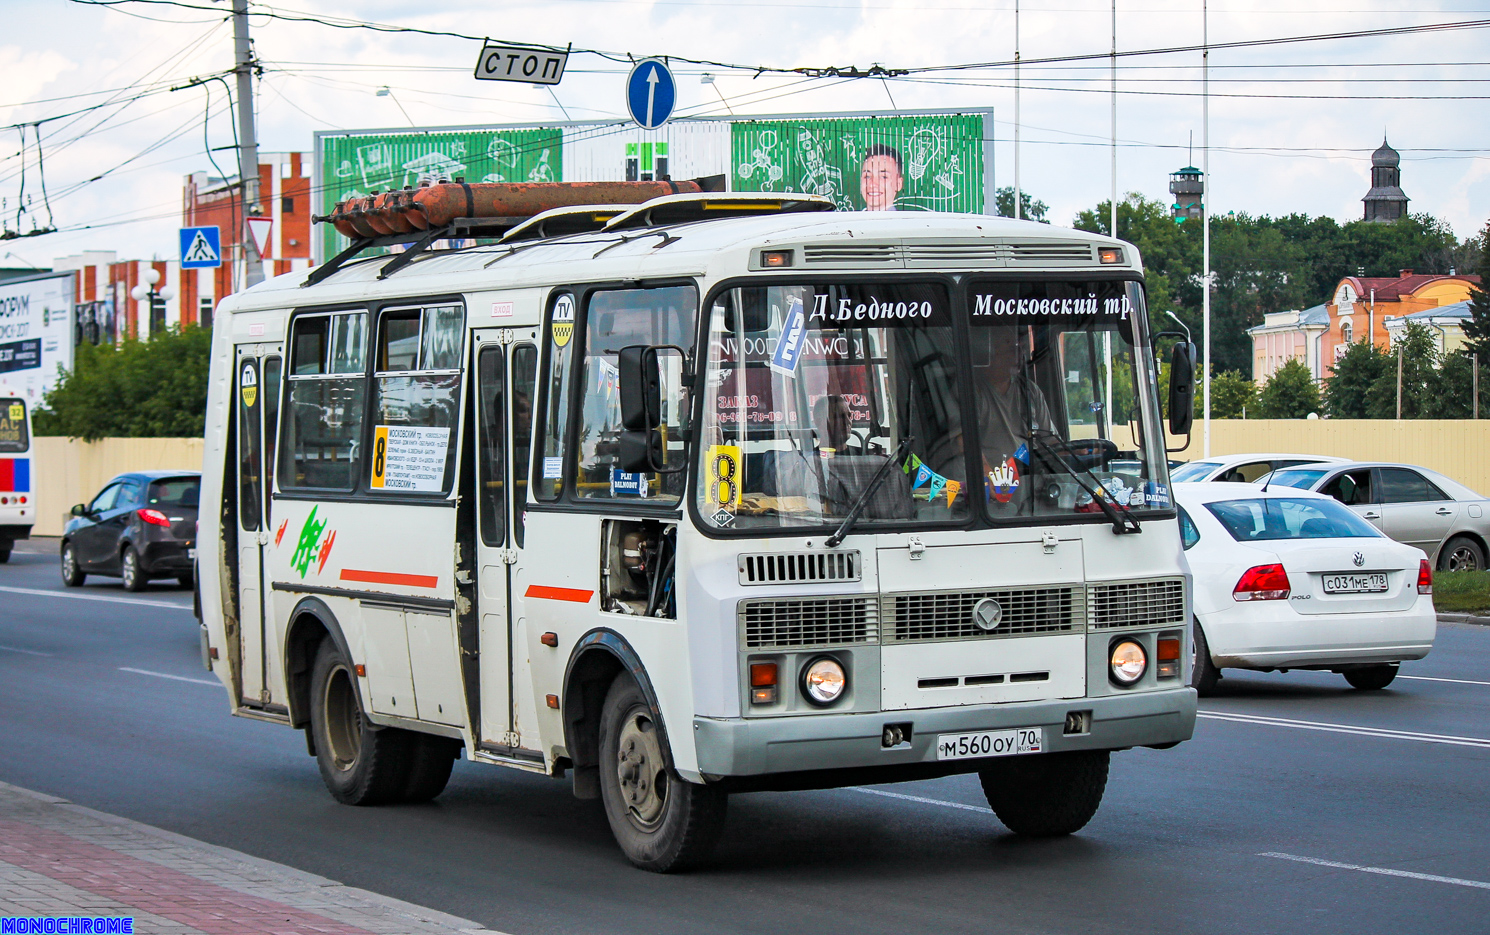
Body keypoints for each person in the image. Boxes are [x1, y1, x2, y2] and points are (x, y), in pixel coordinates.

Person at [859, 144, 904, 211]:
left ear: (898, 184)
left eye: (884, 177)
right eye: (867, 176)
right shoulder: (850, 221)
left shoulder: (906, 221)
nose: (872, 184)